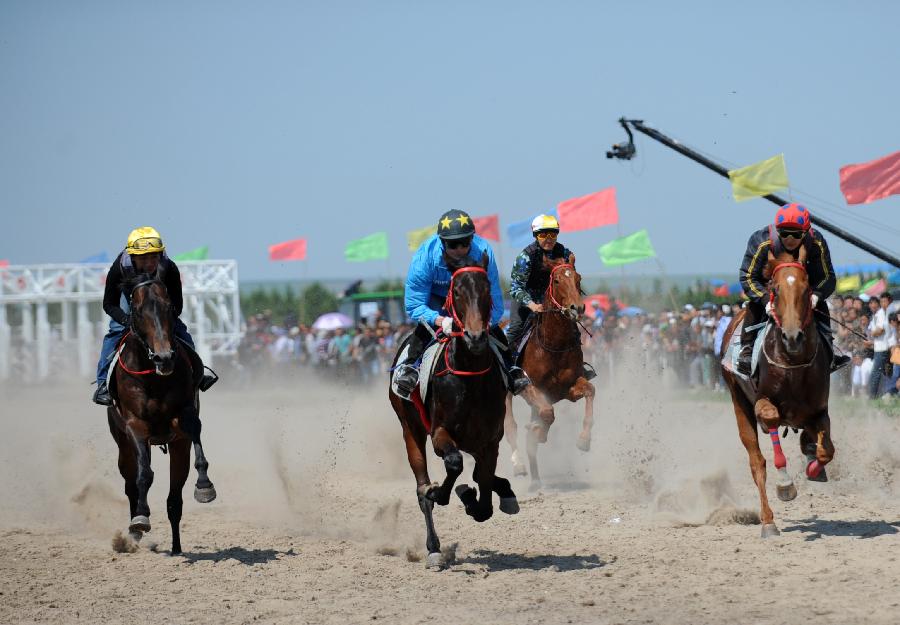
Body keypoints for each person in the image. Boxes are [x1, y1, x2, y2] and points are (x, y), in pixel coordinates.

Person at [392, 209, 530, 399]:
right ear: (442, 241)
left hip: (471, 301)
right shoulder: (424, 257)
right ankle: (410, 367)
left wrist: (483, 325)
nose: (459, 249)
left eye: (465, 243)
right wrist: (440, 320)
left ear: (472, 239)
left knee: (495, 332)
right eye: (452, 244)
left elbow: (496, 305)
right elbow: (414, 304)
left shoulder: (483, 252)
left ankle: (511, 370)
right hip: (435, 301)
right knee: (424, 329)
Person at [92, 227, 217, 405]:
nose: (150, 262)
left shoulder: (169, 267)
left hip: (161, 303)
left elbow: (177, 304)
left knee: (181, 331)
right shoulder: (119, 267)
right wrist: (127, 321)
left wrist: (166, 321)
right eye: (143, 258)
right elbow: (109, 304)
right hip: (130, 301)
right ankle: (103, 384)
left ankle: (197, 373)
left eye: (154, 256)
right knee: (115, 331)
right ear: (133, 257)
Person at [736, 203, 850, 376]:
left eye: (796, 234)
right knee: (754, 305)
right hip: (769, 289)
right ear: (777, 230)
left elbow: (828, 277)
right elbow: (747, 276)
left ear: (805, 232)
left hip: (804, 290)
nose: (789, 238)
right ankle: (747, 350)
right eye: (784, 233)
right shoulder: (761, 241)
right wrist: (766, 300)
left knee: (821, 306)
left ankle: (830, 351)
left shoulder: (817, 242)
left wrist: (816, 296)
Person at [507, 214, 595, 380]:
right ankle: (509, 370)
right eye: (543, 235)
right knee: (515, 330)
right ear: (535, 236)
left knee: (572, 328)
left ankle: (578, 367)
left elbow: (570, 279)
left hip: (554, 300)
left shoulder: (565, 252)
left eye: (552, 235)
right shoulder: (525, 256)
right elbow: (515, 287)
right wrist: (531, 304)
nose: (548, 239)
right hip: (527, 298)